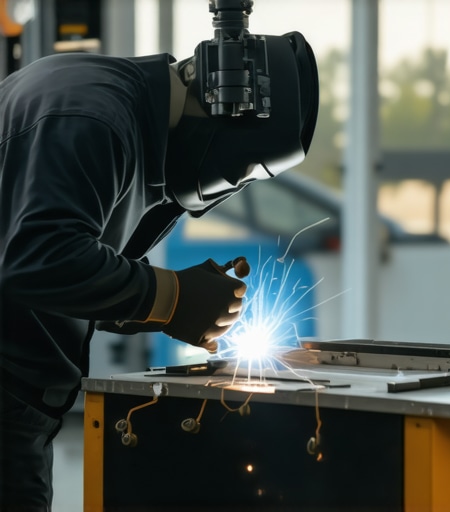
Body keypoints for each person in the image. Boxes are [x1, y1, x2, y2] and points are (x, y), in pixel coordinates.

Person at [0, 8, 319, 509]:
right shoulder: (94, 117)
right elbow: (38, 258)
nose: (223, 188)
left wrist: (167, 307)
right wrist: (170, 295)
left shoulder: (114, 103)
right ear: (221, 117)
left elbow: (52, 276)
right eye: (233, 174)